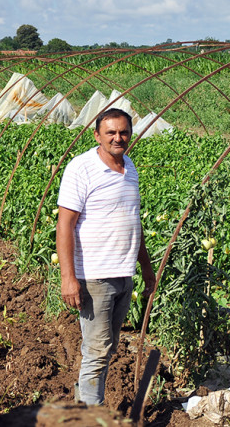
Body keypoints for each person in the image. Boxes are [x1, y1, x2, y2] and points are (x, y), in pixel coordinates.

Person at [56, 108, 156, 405]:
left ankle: (85, 403)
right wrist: (68, 278)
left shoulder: (130, 168)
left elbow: (133, 221)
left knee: (107, 347)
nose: (118, 137)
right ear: (97, 135)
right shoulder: (82, 168)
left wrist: (147, 270)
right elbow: (65, 224)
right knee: (97, 351)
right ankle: (91, 415)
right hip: (94, 276)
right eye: (110, 132)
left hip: (123, 274)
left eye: (123, 132)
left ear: (130, 135)